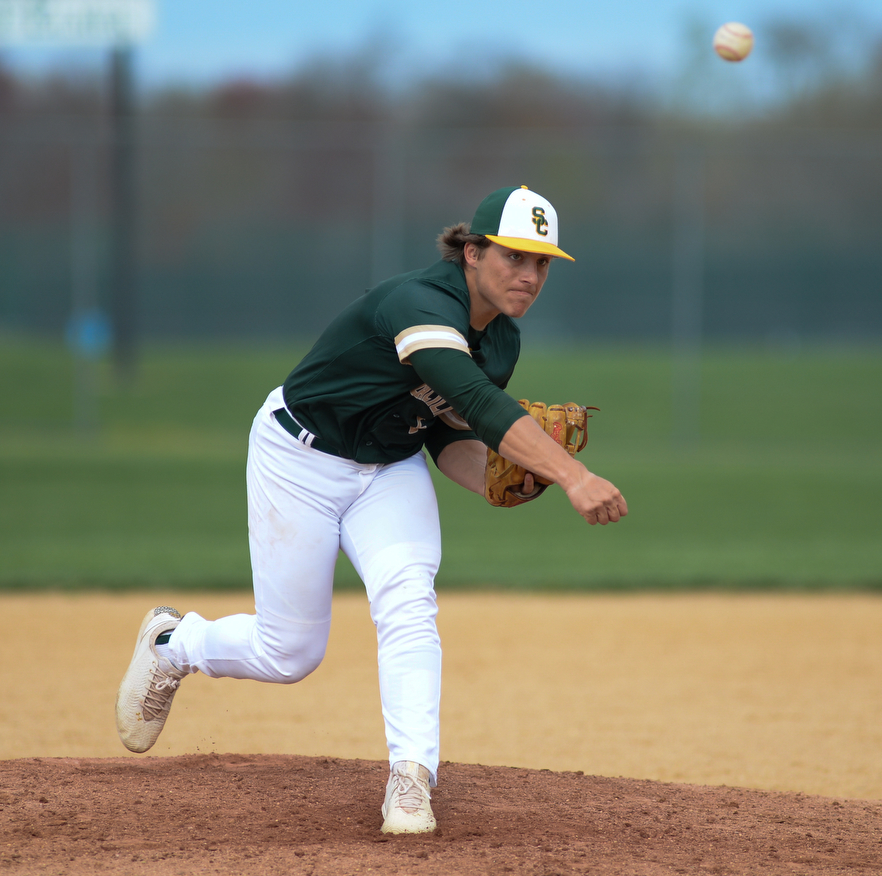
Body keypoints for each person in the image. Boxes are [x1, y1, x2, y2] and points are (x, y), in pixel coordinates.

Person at [115, 185, 628, 834]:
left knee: (409, 605)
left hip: (389, 466)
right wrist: (573, 474)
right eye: (513, 256)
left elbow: (447, 433)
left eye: (542, 262)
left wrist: (500, 482)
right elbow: (470, 391)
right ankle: (173, 644)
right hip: (299, 456)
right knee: (289, 654)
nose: (529, 275)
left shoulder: (502, 344)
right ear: (471, 252)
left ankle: (411, 780)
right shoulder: (418, 302)